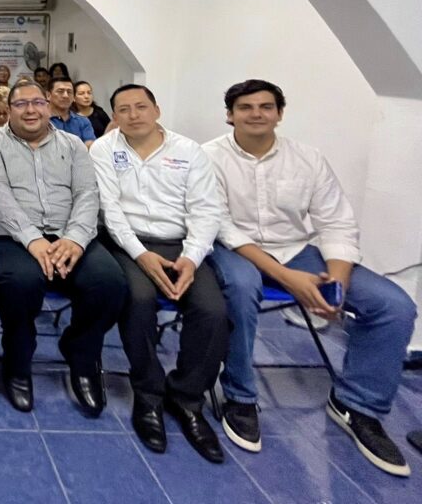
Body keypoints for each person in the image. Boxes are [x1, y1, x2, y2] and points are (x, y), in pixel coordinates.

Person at [204, 79, 416, 476]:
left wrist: (336, 285)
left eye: (266, 107)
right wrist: (289, 280)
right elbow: (222, 227)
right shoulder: (208, 157)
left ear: (279, 114)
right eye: (245, 107)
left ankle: (357, 404)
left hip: (297, 249)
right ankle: (240, 396)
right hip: (236, 250)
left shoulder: (308, 159)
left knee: (394, 306)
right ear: (230, 115)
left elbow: (336, 222)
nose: (256, 114)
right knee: (241, 288)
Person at [90, 83, 230, 464]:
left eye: (141, 107)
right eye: (123, 109)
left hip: (182, 245)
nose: (133, 115)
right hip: (127, 243)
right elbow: (109, 209)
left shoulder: (189, 151)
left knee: (213, 311)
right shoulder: (104, 149)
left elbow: (206, 210)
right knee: (137, 301)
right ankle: (148, 395)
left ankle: (187, 397)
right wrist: (140, 255)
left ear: (157, 110)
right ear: (114, 116)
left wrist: (192, 258)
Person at [0, 79, 127, 415]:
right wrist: (33, 239)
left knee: (110, 283)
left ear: (48, 107)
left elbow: (87, 194)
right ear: (8, 110)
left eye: (37, 103)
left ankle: (81, 354)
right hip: (14, 236)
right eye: (21, 104)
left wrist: (75, 239)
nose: (30, 110)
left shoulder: (73, 145)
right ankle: (17, 362)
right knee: (19, 283)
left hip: (70, 233)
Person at [48, 77, 96, 147]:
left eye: (69, 92)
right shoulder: (41, 121)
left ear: (73, 97)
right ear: (48, 95)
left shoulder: (83, 121)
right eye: (60, 91)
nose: (66, 95)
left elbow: (90, 145)